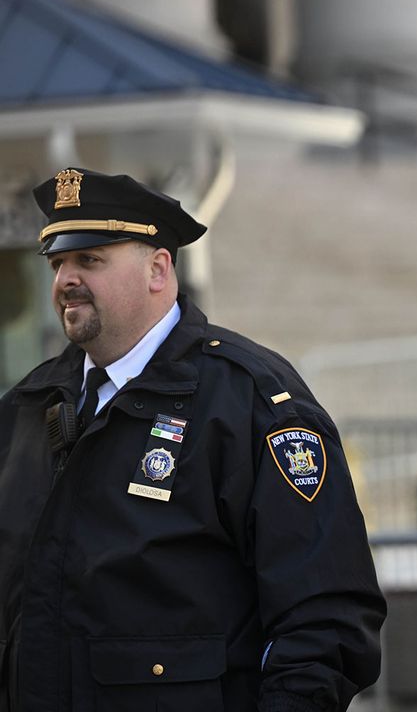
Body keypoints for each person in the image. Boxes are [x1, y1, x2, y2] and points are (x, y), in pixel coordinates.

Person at [0, 169, 386, 711]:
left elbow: (324, 617)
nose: (66, 279)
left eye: (90, 260)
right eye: (58, 262)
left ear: (159, 269)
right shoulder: (29, 405)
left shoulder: (248, 399)